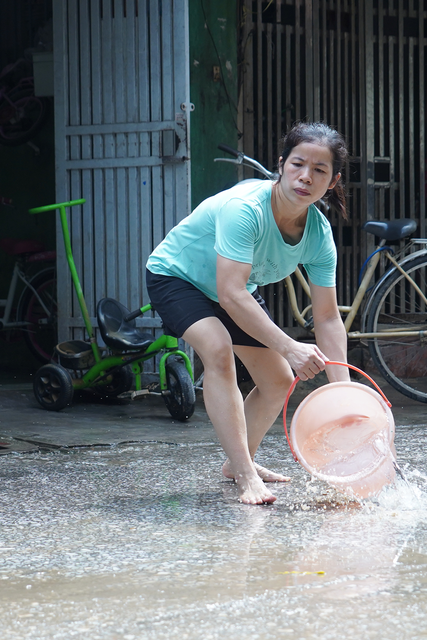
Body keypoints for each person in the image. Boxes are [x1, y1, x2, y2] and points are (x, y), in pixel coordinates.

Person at [145, 121, 351, 504]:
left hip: (235, 292)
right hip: (177, 277)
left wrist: (343, 394)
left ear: (333, 180)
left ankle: (240, 461)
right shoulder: (246, 210)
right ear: (281, 164)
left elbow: (326, 318)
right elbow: (230, 293)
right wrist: (290, 346)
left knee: (278, 380)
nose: (305, 176)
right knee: (218, 350)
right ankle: (243, 473)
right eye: (297, 164)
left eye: (319, 170)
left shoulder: (319, 235)